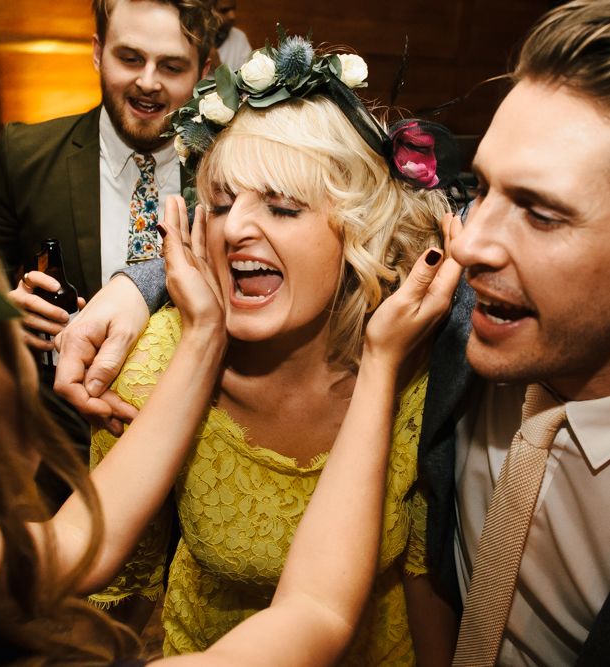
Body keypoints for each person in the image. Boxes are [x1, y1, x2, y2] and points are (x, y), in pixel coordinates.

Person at [0, 146, 459, 665]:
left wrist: (199, 325)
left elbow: (79, 539)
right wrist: (383, 363)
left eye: (282, 206)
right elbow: (315, 612)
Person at [80, 38, 461, 664]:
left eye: (282, 208)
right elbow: (112, 577)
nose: (234, 229)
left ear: (359, 232)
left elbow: (423, 571)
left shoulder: (417, 356)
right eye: (222, 205)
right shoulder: (148, 364)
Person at [417, 1, 610, 664]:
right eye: (482, 188)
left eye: (540, 214)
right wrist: (134, 286)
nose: (469, 244)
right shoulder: (461, 324)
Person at [0, 0, 217, 359]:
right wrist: (2, 313)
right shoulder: (23, 157)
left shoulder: (230, 172)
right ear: (98, 53)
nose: (148, 82)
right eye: (130, 58)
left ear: (203, 73)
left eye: (171, 66)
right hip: (61, 410)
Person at [212, 0, 252, 71]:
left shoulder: (239, 37)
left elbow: (245, 79)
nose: (232, 16)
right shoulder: (191, 38)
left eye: (233, 9)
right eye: (224, 10)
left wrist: (218, 67)